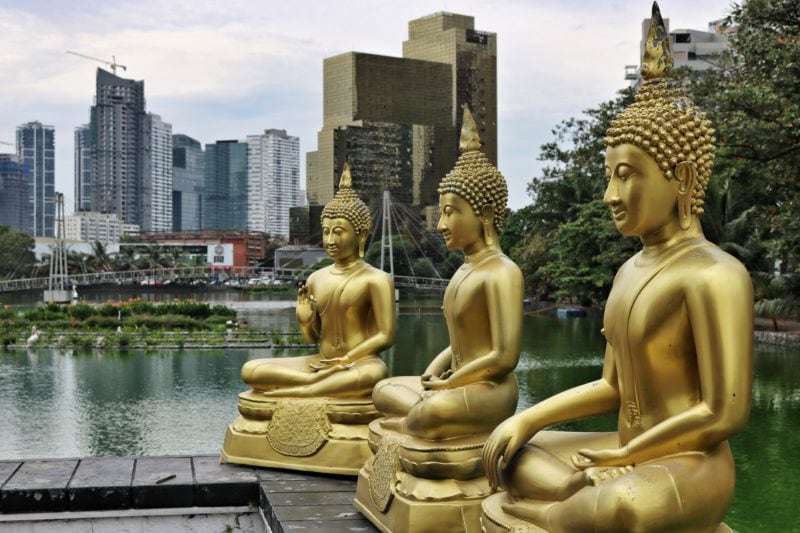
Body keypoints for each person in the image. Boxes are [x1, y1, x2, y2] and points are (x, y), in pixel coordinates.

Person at [481, 5, 753, 532]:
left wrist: (625, 459)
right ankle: (571, 504)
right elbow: (613, 386)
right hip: (624, 449)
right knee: (509, 453)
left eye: (625, 176)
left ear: (682, 176)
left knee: (624, 507)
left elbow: (723, 414)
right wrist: (528, 417)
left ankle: (563, 508)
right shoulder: (630, 270)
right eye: (608, 176)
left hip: (691, 464)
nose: (610, 195)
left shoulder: (715, 274)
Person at [372, 107, 523, 440]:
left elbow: (503, 357)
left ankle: (414, 424)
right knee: (383, 388)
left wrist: (450, 384)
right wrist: (433, 372)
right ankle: (417, 422)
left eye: (450, 212)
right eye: (441, 212)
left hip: (490, 390)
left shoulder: (502, 272)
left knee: (433, 410)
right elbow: (459, 345)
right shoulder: (464, 270)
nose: (440, 224)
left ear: (484, 214)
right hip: (455, 383)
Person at [241, 164, 395, 398]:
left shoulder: (377, 279)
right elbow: (313, 337)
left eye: (339, 231)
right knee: (251, 370)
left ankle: (304, 390)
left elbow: (385, 336)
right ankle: (312, 383)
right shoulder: (316, 278)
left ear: (361, 234)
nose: (330, 239)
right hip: (321, 363)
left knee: (373, 376)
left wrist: (345, 360)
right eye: (326, 231)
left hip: (360, 363)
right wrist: (305, 321)